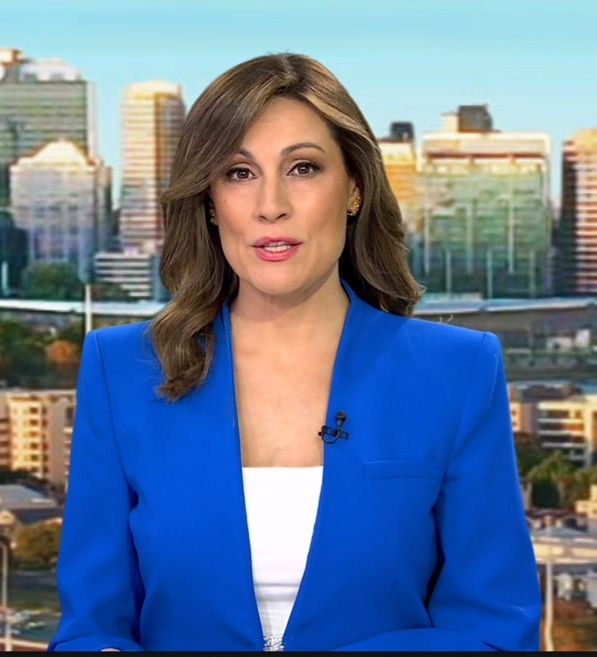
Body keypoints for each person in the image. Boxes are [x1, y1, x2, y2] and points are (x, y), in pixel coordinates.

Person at [47, 52, 542, 652]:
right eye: (238, 173)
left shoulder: (457, 371)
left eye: (303, 168)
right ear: (210, 201)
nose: (270, 204)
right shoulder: (121, 369)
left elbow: (493, 630)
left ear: (354, 188)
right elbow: (91, 629)